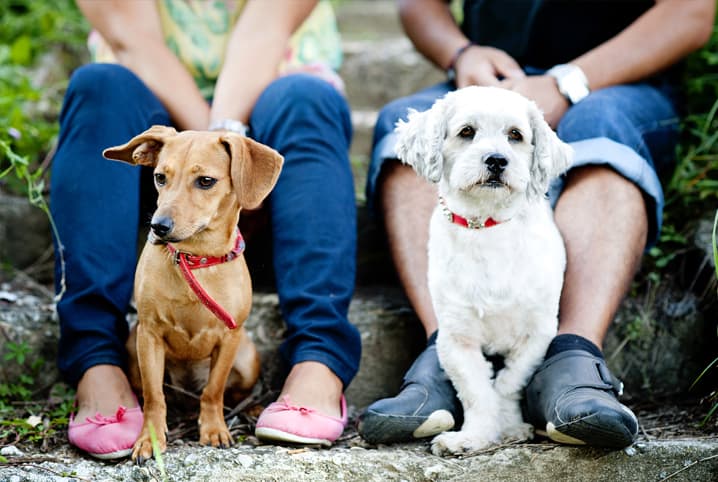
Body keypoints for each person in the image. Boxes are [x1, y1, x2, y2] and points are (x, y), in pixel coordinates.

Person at [358, 0, 715, 448]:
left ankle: (573, 361)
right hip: (491, 78)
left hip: (622, 75)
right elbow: (417, 5)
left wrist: (568, 81)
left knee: (600, 122)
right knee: (400, 120)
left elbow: (689, 13)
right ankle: (446, 353)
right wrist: (460, 52)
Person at [51, 0, 361, 459]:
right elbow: (130, 37)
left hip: (269, 125)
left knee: (305, 97)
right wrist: (202, 159)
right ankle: (98, 359)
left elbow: (266, 29)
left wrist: (238, 172)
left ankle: (318, 358)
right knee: (101, 86)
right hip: (161, 143)